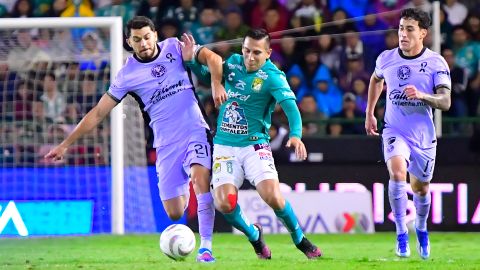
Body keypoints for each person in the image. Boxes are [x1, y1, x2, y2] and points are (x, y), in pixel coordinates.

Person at [44, 16, 227, 263]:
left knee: (200, 178)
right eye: (137, 39)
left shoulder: (176, 47)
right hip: (165, 144)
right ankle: (187, 207)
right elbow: (98, 113)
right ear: (129, 42)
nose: (144, 43)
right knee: (175, 212)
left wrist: (215, 83)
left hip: (195, 129)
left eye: (147, 36)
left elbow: (214, 59)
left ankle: (206, 249)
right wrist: (65, 144)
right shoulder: (127, 75)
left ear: (155, 34)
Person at [182, 29, 322, 259]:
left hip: (255, 145)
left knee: (273, 197)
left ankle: (300, 240)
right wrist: (191, 61)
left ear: (268, 53)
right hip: (225, 146)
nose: (250, 57)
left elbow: (291, 109)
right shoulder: (233, 64)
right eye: (246, 50)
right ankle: (254, 236)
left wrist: (296, 134)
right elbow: (208, 74)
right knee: (224, 203)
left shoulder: (273, 77)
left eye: (256, 52)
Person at [365, 9, 451, 259]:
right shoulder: (386, 58)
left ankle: (421, 228)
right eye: (401, 28)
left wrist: (423, 95)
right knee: (397, 172)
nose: (403, 33)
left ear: (423, 33)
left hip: (423, 135)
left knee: (421, 188)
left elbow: (445, 102)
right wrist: (370, 112)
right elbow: (375, 79)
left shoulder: (436, 62)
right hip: (394, 129)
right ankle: (401, 232)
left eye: (410, 29)